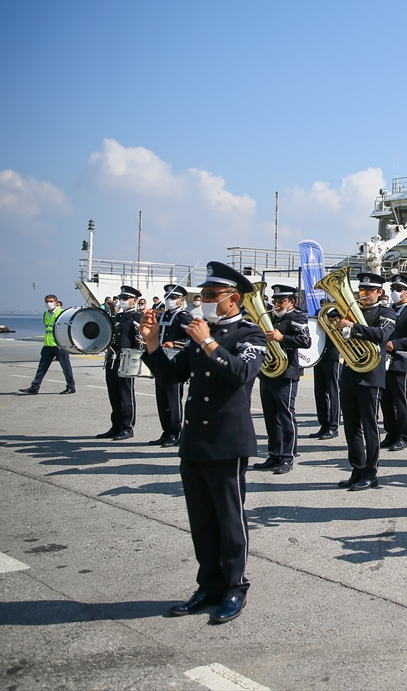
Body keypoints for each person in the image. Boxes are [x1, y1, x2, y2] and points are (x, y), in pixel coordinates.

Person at [142, 261, 266, 624]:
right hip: (196, 438)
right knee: (201, 518)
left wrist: (207, 341)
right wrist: (152, 343)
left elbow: (242, 373)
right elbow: (171, 376)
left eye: (211, 296)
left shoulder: (250, 334)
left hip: (228, 440)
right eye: (202, 295)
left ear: (234, 298)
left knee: (229, 518)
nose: (204, 301)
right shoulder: (202, 335)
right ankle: (208, 584)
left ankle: (233, 586)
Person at [336, 272, 395, 490]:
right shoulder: (353, 312)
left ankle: (371, 472)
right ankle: (357, 468)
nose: (365, 294)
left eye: (369, 291)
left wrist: (352, 327)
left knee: (369, 426)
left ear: (379, 292)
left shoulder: (386, 312)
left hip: (371, 375)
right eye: (362, 290)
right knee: (351, 427)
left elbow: (382, 335)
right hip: (350, 372)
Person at [251, 285, 311, 474]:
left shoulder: (297, 318)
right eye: (275, 301)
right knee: (270, 416)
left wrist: (282, 337)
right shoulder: (269, 318)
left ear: (291, 302)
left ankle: (288, 456)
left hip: (286, 372)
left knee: (286, 415)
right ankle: (274, 454)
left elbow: (306, 341)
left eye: (281, 302)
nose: (276, 305)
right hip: (268, 372)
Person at [381, 274, 407, 451]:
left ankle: (402, 436)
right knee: (385, 400)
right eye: (393, 289)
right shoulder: (389, 310)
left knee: (400, 400)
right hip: (385, 361)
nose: (395, 293)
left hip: (401, 360)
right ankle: (390, 433)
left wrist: (396, 344)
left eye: (398, 290)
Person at [148, 284, 193, 447]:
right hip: (162, 361)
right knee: (162, 398)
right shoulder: (163, 315)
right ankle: (166, 431)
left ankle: (175, 432)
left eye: (173, 298)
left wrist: (175, 343)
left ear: (181, 301)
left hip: (175, 362)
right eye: (168, 298)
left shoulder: (184, 317)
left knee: (173, 399)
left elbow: (193, 339)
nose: (169, 301)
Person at [98, 285, 142, 441]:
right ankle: (115, 425)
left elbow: (139, 340)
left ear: (134, 301)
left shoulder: (137, 317)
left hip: (126, 359)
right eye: (121, 298)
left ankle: (127, 427)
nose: (121, 301)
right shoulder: (119, 317)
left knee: (125, 394)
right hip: (113, 359)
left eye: (125, 299)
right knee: (114, 394)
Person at [19, 295, 76, 395]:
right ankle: (34, 387)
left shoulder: (62, 314)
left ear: (56, 302)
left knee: (66, 367)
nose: (48, 304)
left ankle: (71, 387)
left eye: (50, 301)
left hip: (59, 345)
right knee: (42, 367)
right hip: (47, 345)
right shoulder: (45, 314)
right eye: (46, 302)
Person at [307, 307, 342, 440]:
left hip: (334, 355)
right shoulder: (321, 310)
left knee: (334, 392)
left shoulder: (341, 311)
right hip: (320, 354)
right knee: (320, 392)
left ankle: (334, 426)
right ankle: (324, 424)